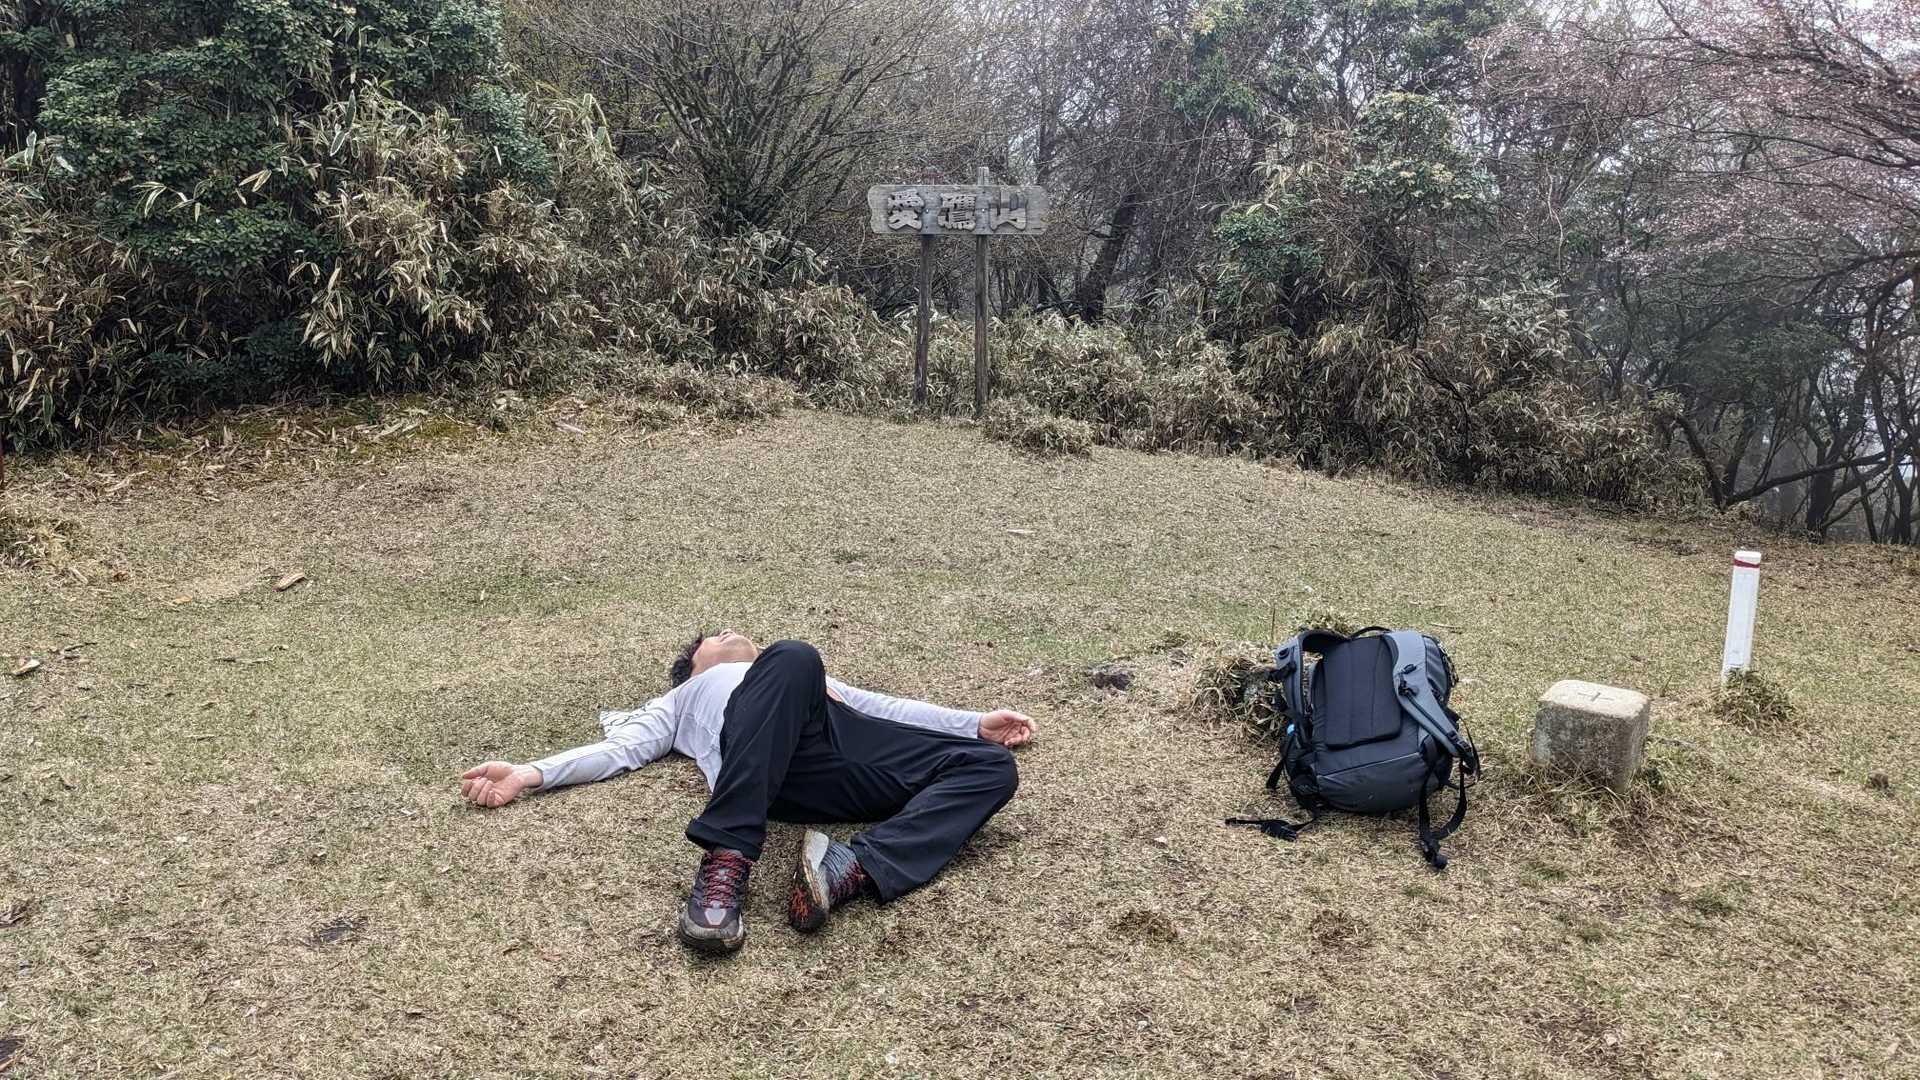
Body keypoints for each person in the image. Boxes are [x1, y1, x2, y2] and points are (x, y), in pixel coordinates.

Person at [458, 631, 1035, 954]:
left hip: (847, 754)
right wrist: (528, 774)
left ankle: (852, 869)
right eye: (712, 638)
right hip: (768, 778)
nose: (728, 632)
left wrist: (972, 724)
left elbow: (881, 707)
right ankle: (728, 856)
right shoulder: (682, 699)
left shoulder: (799, 676)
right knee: (794, 653)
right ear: (692, 669)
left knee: (991, 768)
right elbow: (619, 750)